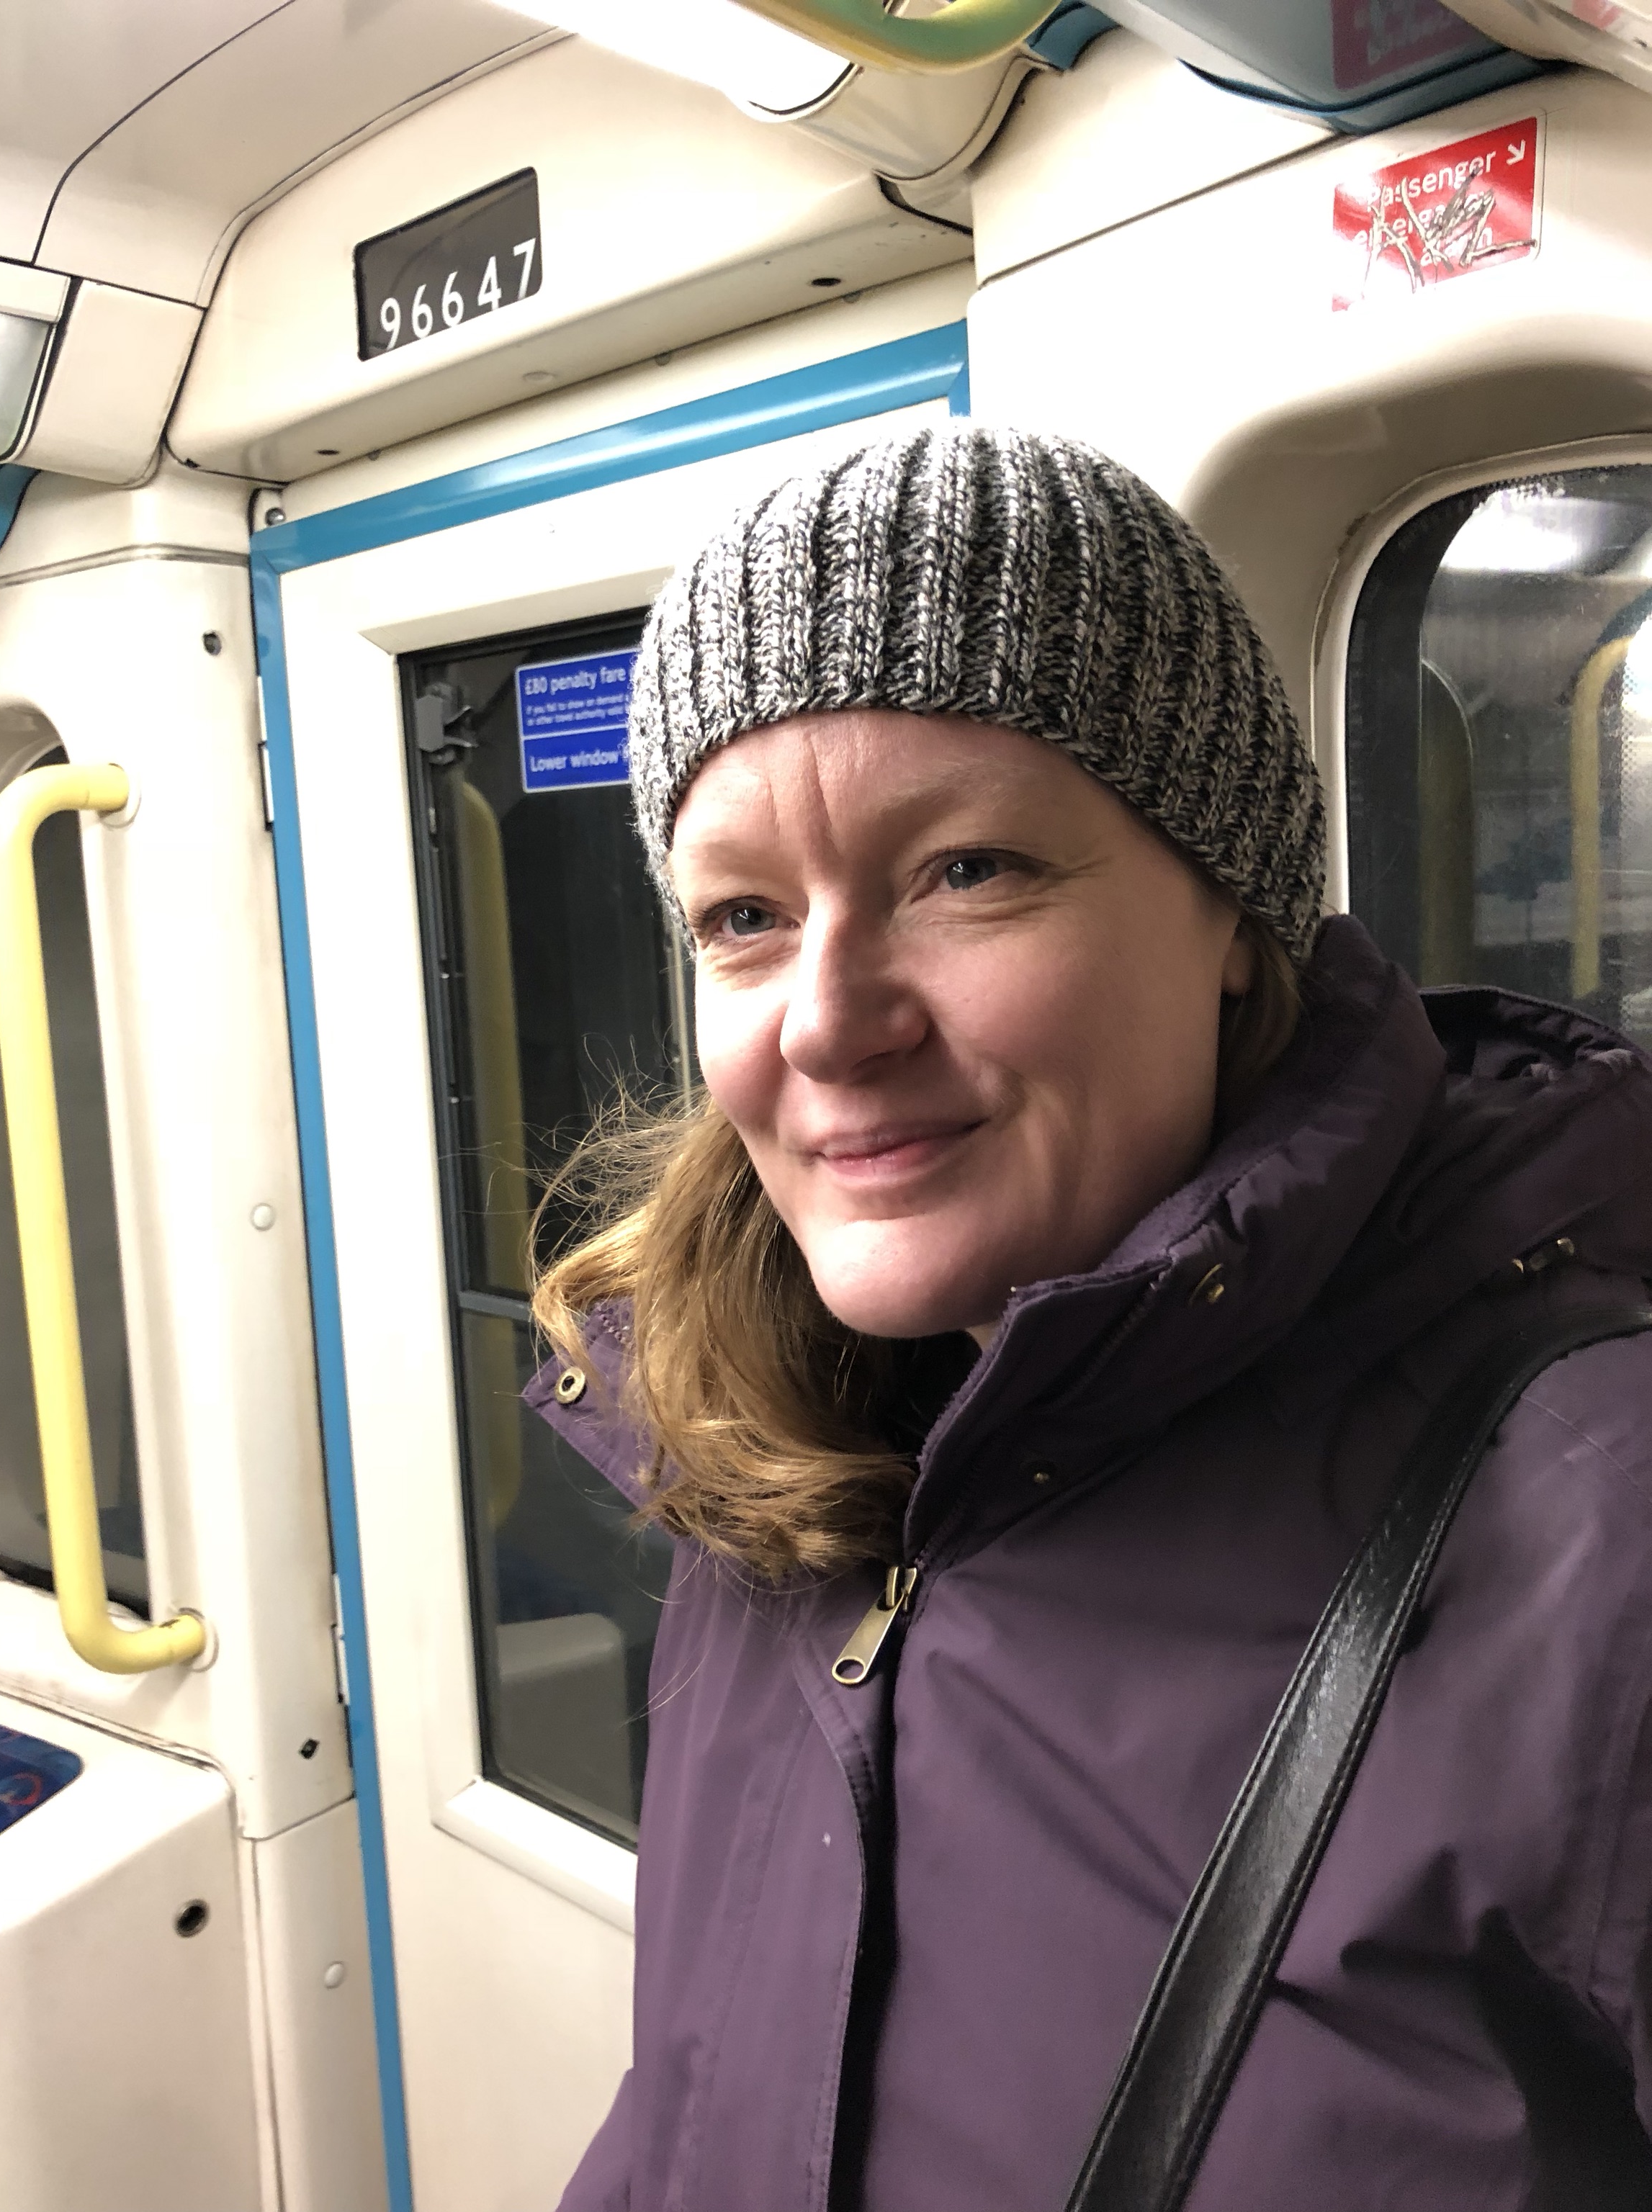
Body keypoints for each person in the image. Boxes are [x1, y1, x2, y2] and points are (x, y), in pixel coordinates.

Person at [526, 423, 1652, 2212]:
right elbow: (698, 2111)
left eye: (967, 870)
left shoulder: (1599, 1536)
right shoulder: (766, 1459)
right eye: (742, 916)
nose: (826, 1019)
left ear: (1235, 915)